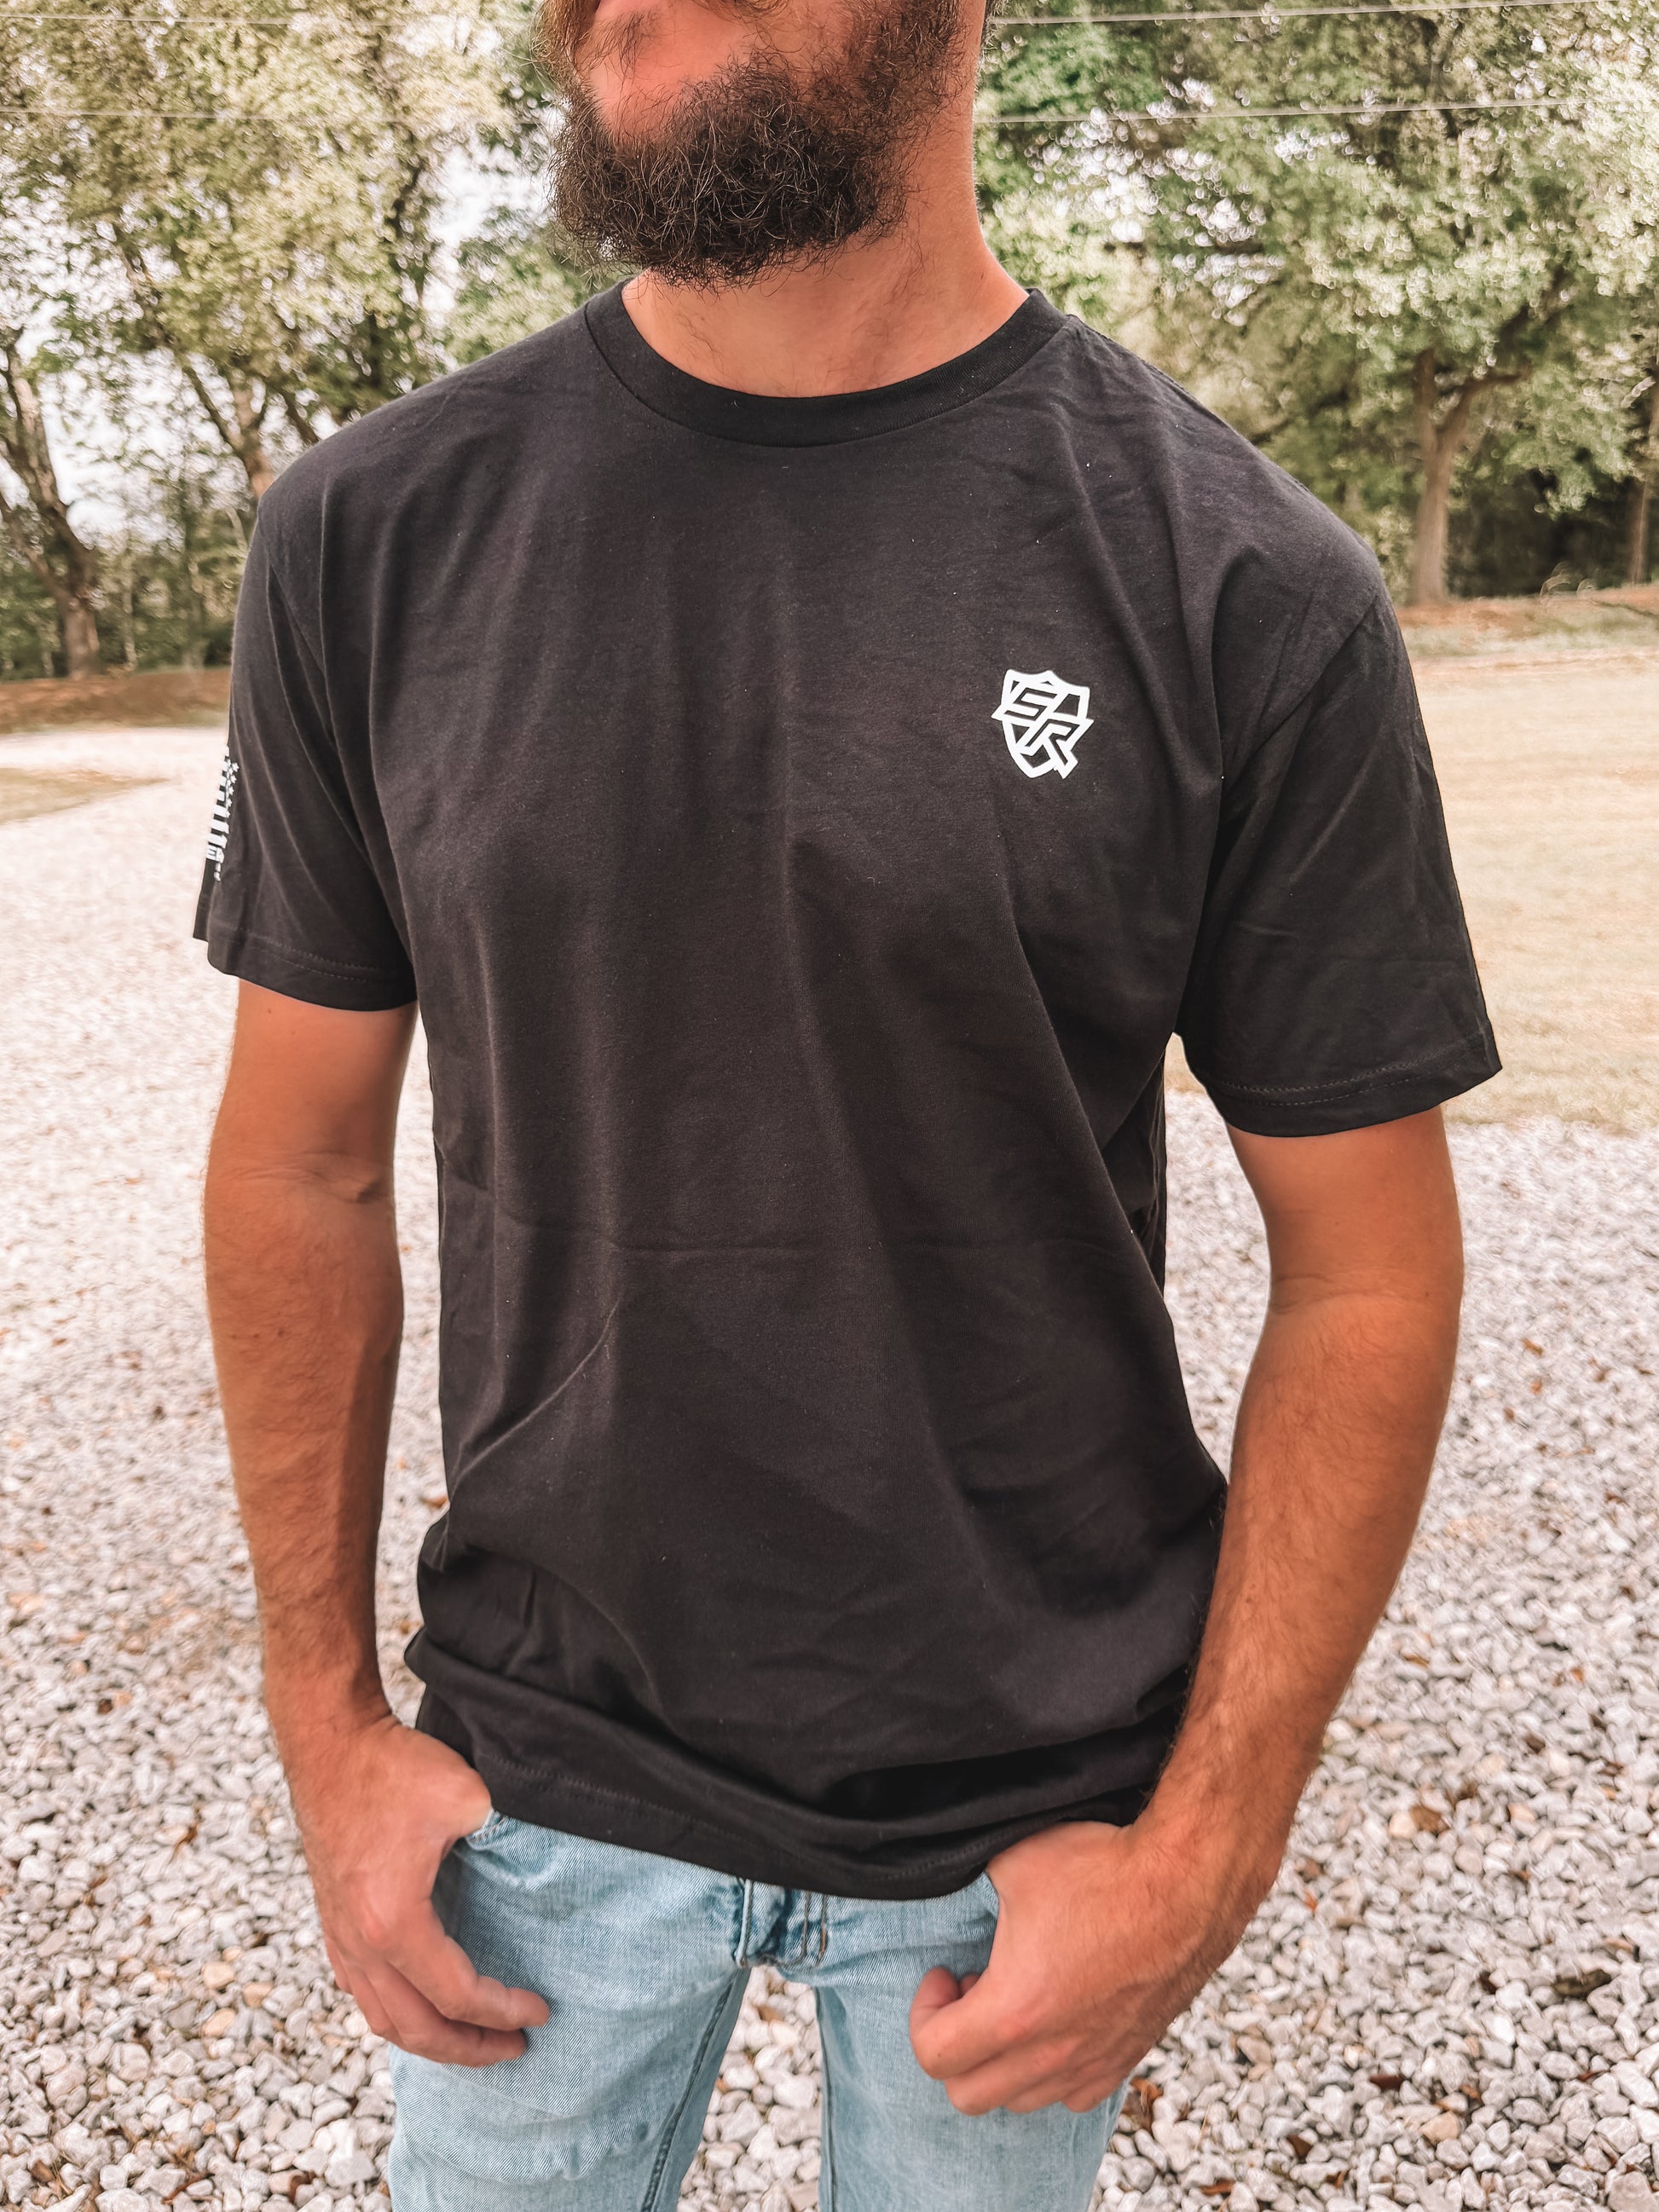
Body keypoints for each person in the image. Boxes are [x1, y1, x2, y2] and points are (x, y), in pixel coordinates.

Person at [194, 0, 1500, 2195]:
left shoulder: (1239, 584)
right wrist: (324, 1721)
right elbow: (300, 1163)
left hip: (1025, 1831)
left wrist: (1204, 1842)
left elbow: (1367, 1271)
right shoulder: (371, 535)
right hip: (535, 1789)